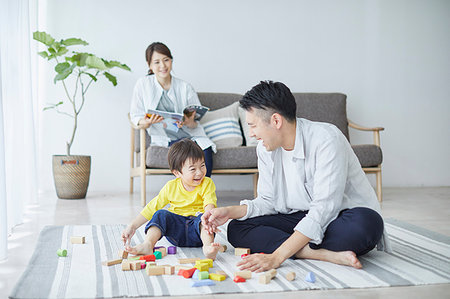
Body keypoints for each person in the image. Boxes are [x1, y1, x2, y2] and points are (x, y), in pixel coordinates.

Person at [202, 81, 391, 272]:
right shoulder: (265, 148)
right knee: (237, 229)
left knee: (365, 225)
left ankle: (294, 246)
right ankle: (317, 253)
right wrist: (229, 211)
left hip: (341, 216)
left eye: (253, 126)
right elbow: (268, 202)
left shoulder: (326, 139)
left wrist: (276, 257)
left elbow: (325, 208)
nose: (251, 134)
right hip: (299, 215)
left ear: (276, 121)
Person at [122, 138, 222, 260]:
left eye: (202, 166)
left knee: (205, 219)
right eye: (193, 169)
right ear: (177, 173)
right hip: (176, 232)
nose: (200, 172)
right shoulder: (171, 187)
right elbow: (152, 207)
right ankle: (148, 244)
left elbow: (209, 204)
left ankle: (208, 247)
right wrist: (132, 226)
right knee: (160, 214)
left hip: (198, 231)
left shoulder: (207, 183)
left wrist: (208, 217)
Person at [129, 42, 215, 177]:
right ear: (150, 65)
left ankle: (203, 193)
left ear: (171, 60)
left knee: (204, 147)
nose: (162, 66)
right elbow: (135, 116)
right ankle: (188, 194)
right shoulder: (143, 84)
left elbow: (194, 123)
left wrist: (188, 121)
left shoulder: (185, 87)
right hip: (164, 139)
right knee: (182, 153)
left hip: (188, 136)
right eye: (157, 62)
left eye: (166, 60)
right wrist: (146, 122)